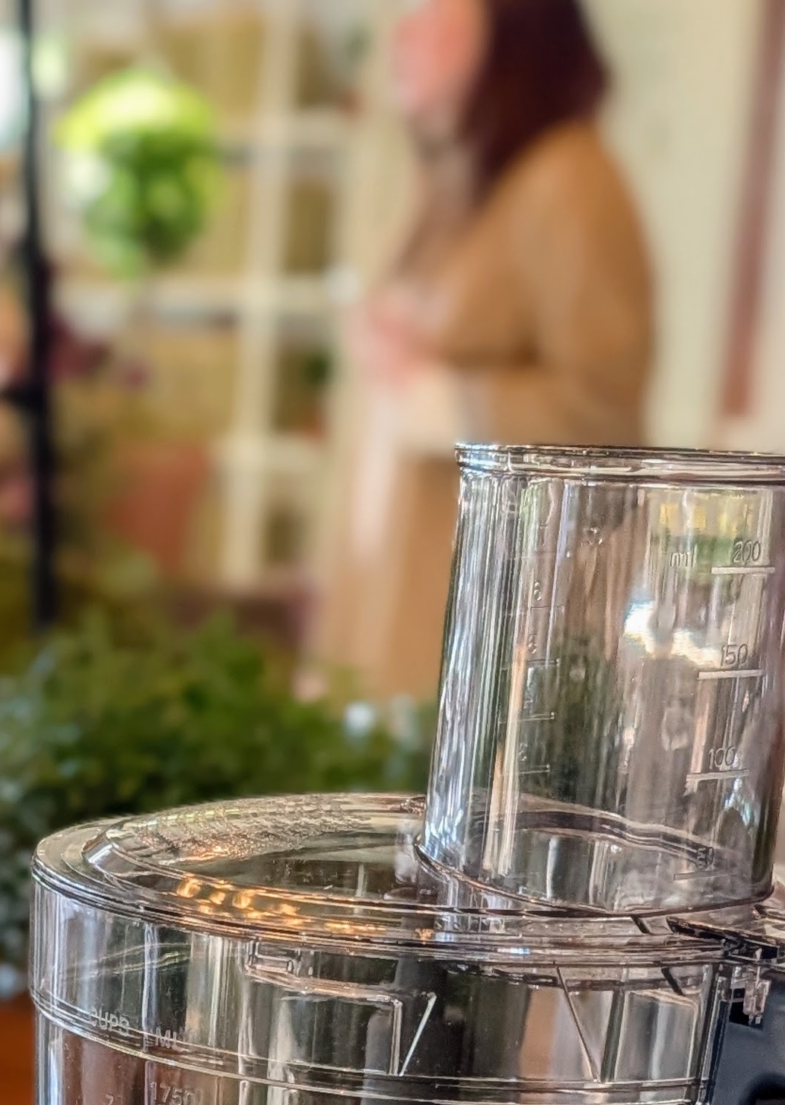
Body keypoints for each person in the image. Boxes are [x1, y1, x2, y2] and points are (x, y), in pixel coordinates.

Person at [322, 0, 653, 700]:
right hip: (400, 601)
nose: (404, 34)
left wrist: (432, 393)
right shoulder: (458, 182)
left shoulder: (569, 180)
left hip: (493, 636)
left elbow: (602, 416)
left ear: (510, 30)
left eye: (434, 16)